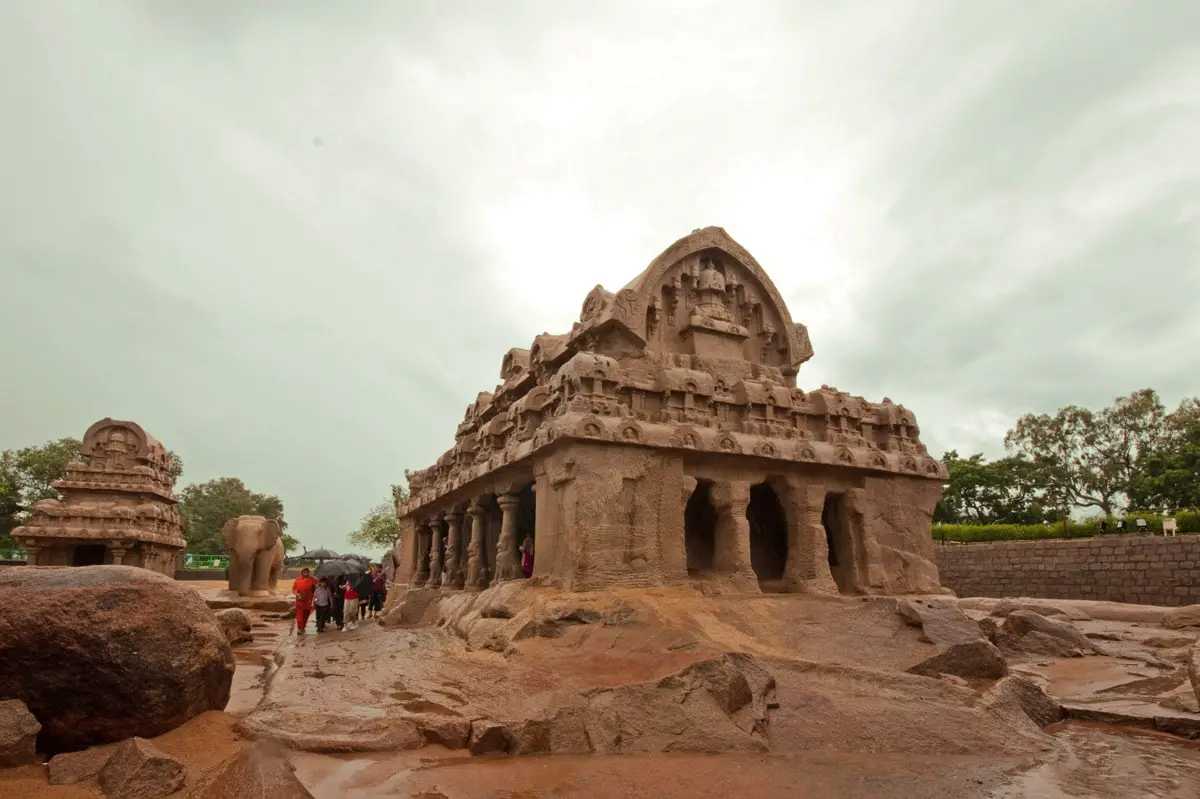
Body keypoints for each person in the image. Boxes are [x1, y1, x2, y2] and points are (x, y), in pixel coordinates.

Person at [291, 567, 318, 636]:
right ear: (302, 573)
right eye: (304, 572)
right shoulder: (298, 580)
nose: (306, 573)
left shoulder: (312, 580)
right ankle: (299, 628)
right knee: (299, 616)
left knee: (306, 615)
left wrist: (314, 599)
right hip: (300, 601)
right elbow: (293, 590)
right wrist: (298, 594)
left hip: (309, 601)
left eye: (307, 572)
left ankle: (302, 627)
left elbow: (317, 589)